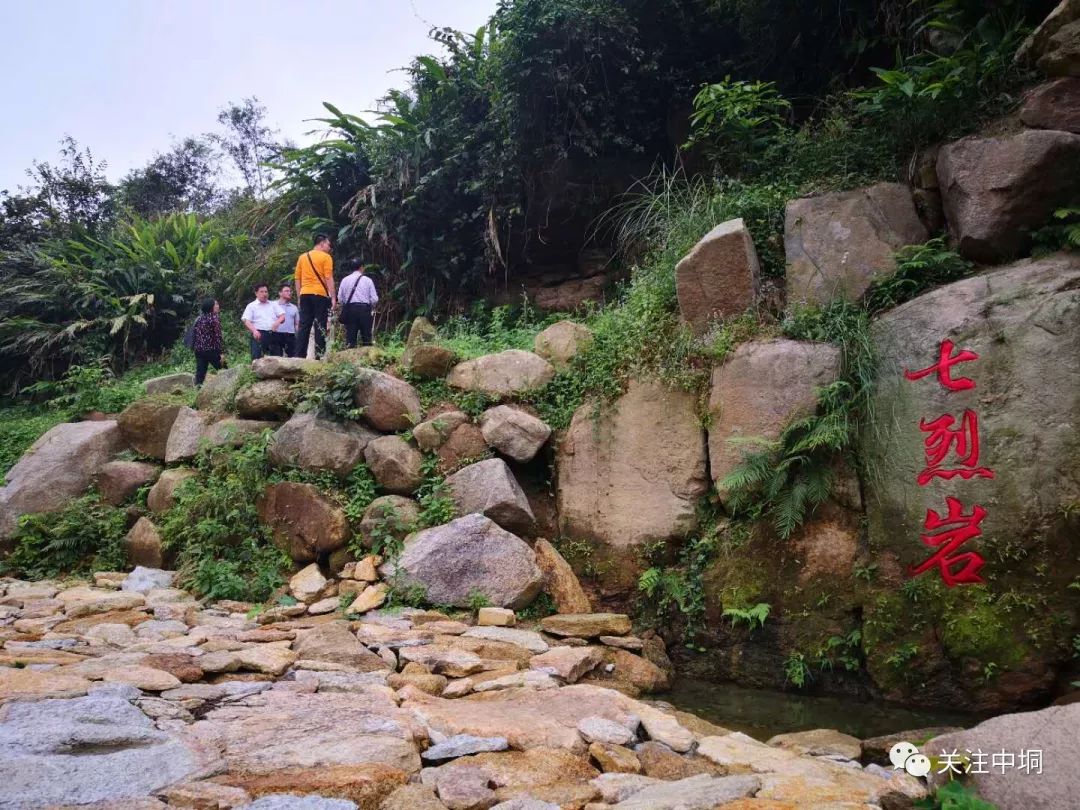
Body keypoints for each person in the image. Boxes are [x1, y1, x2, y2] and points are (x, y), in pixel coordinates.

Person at [293, 233, 336, 358]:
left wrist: (299, 297)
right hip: (320, 294)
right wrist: (333, 297)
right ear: (322, 244)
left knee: (304, 325)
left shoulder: (302, 257)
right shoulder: (326, 257)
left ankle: (299, 355)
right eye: (328, 244)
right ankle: (319, 355)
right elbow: (328, 277)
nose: (329, 247)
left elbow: (297, 278)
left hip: (305, 294)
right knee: (320, 324)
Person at [337, 258, 379, 347]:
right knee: (366, 338)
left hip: (350, 310)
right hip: (364, 310)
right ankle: (367, 359)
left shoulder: (345, 280)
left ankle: (349, 358)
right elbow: (374, 299)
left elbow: (340, 299)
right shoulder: (368, 280)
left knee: (350, 338)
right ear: (361, 267)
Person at [241, 282, 285, 360]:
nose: (264, 294)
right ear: (256, 293)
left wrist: (277, 322)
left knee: (277, 358)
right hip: (259, 334)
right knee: (257, 357)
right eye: (261, 292)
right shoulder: (251, 306)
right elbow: (246, 320)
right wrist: (254, 331)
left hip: (273, 334)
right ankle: (256, 372)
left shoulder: (273, 304)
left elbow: (282, 316)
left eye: (266, 292)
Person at [192, 298, 224, 386]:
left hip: (198, 350)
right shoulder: (214, 318)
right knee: (224, 370)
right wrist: (221, 352)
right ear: (211, 307)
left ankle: (197, 391)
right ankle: (230, 389)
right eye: (216, 304)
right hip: (211, 350)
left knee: (200, 373)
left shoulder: (199, 318)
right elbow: (217, 337)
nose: (218, 306)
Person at [274, 284, 300, 357]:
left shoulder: (294, 307)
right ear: (280, 293)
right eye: (286, 291)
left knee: (293, 357)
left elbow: (297, 324)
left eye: (290, 291)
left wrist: (298, 336)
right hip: (277, 334)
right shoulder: (273, 305)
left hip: (290, 335)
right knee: (277, 357)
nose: (289, 293)